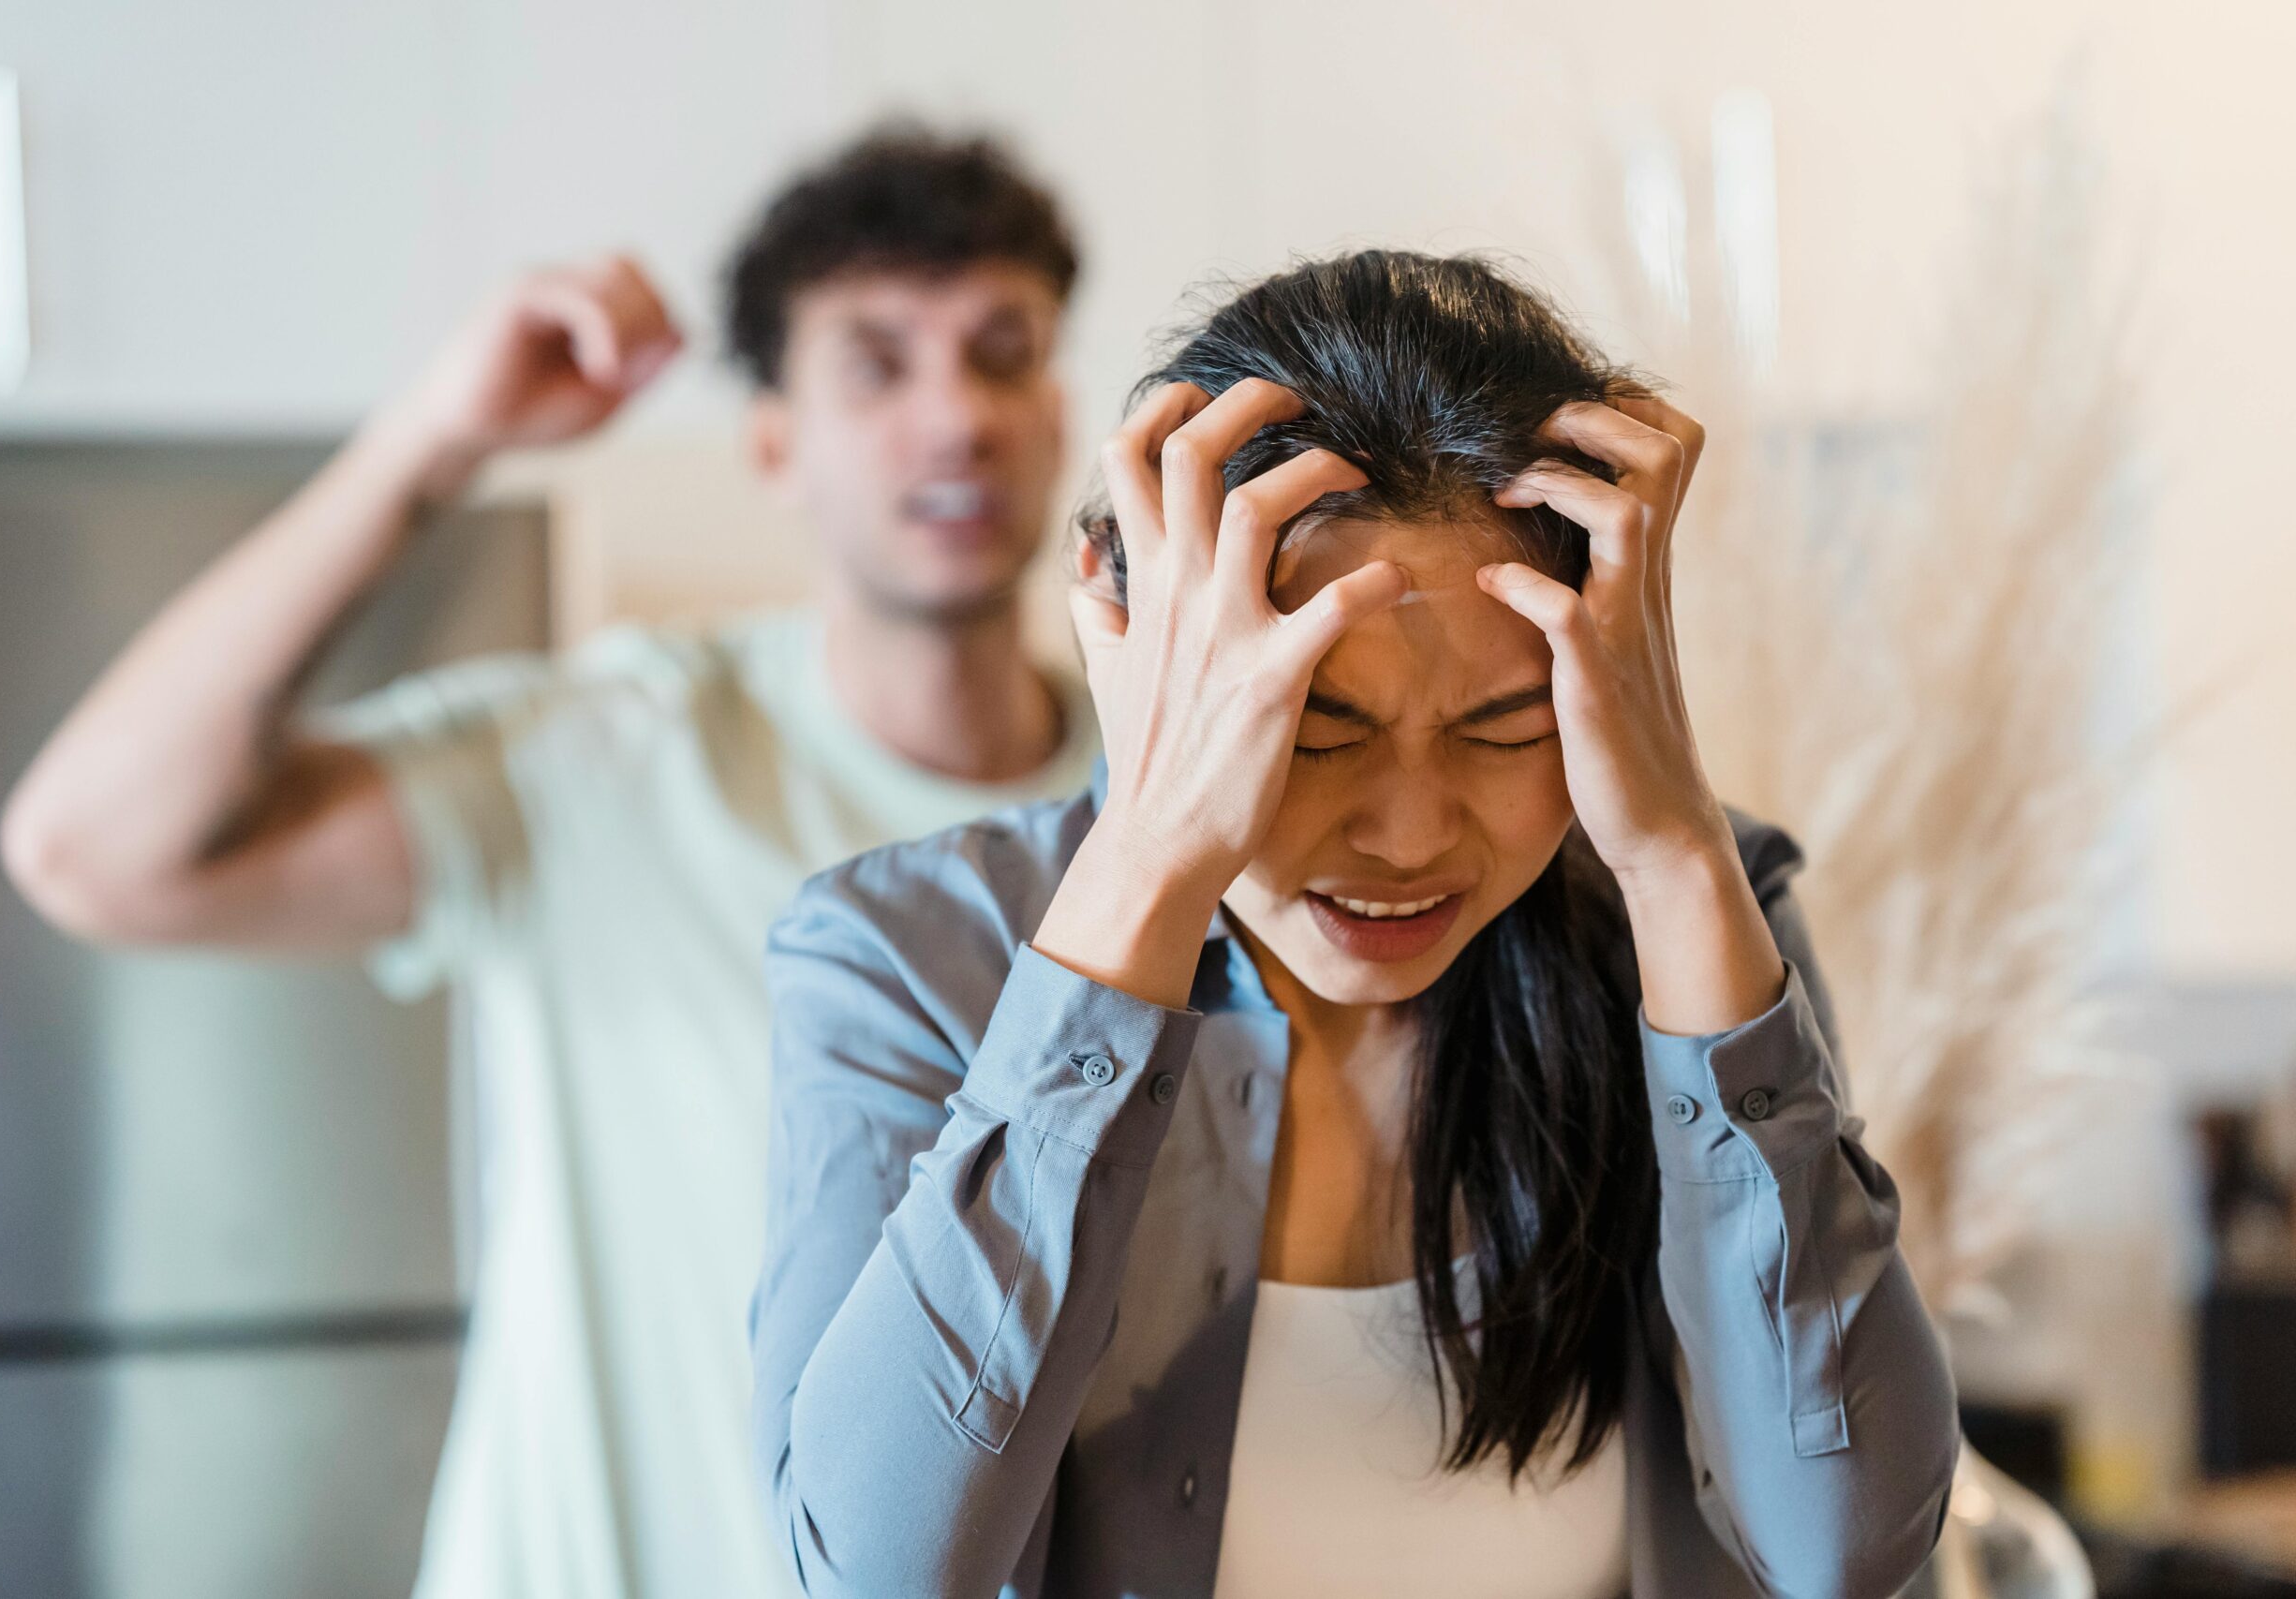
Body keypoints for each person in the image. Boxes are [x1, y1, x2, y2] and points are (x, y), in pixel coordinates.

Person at [752, 250, 1962, 1598]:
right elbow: (876, 1572)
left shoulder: (1692, 928)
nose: (1409, 833)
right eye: (1316, 729)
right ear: (1141, 645)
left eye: (1505, 729)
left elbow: (1846, 1546)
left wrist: (1677, 862)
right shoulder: (902, 957)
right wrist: (1152, 856)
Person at [0, 128, 1099, 1598]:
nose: (957, 414)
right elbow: (90, 850)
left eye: (1002, 350)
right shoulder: (615, 757)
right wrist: (435, 440)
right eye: (877, 363)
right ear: (773, 440)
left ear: (1058, 409)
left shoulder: (1155, 809)